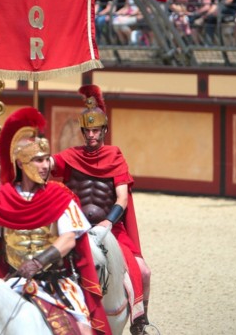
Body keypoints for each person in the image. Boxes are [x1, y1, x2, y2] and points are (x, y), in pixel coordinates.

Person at [0, 107, 110, 335]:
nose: (45, 166)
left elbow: (69, 239)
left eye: (46, 160)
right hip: (14, 282)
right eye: (38, 160)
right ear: (20, 163)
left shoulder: (59, 195)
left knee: (82, 330)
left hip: (56, 283)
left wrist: (37, 263)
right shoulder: (3, 199)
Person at [51, 85, 151, 335]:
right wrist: (32, 152)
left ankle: (140, 321)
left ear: (104, 130)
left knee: (143, 271)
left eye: (96, 130)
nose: (92, 135)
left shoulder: (115, 157)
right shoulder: (71, 156)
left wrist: (107, 223)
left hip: (111, 228)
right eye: (88, 131)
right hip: (76, 227)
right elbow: (47, 165)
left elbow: (122, 199)